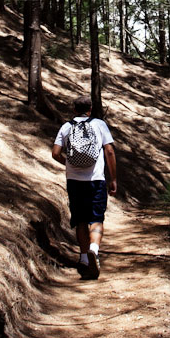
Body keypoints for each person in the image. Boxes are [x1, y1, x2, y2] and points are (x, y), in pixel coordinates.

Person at [52, 96, 117, 279]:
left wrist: (68, 164)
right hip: (96, 180)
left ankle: (83, 257)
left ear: (74, 110)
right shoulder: (99, 124)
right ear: (90, 109)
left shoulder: (66, 127)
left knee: (80, 220)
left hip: (74, 181)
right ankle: (94, 251)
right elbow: (109, 151)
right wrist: (113, 178)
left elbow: (55, 153)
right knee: (96, 218)